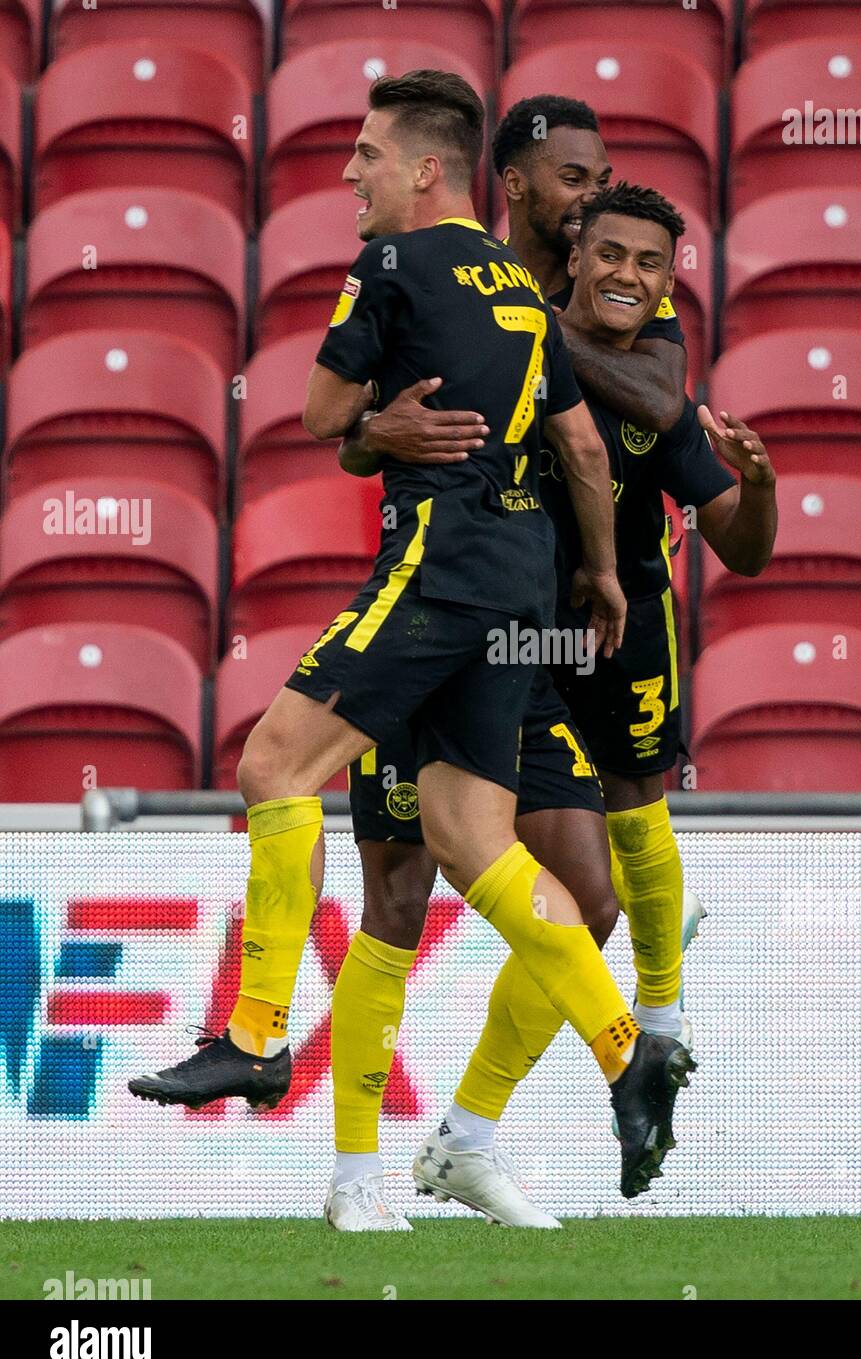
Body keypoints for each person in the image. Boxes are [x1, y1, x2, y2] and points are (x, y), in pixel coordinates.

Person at [128, 72, 692, 1215]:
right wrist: (596, 573)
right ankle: (626, 1044)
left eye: (367, 156)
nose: (350, 175)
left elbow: (322, 414)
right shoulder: (527, 301)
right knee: (476, 838)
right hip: (521, 601)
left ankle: (257, 1034)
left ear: (426, 168)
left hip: (436, 576)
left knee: (272, 765)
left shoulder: (393, 265)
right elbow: (584, 452)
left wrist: (371, 427)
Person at [333, 175, 776, 1231]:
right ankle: (356, 1177)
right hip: (438, 639)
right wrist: (374, 431)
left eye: (650, 264)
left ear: (670, 285)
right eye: (606, 247)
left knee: (589, 893)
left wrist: (755, 484)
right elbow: (354, 434)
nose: (626, 273)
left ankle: (476, 1134)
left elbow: (741, 538)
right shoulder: (488, 340)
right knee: (396, 901)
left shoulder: (638, 392)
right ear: (567, 250)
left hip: (564, 657)